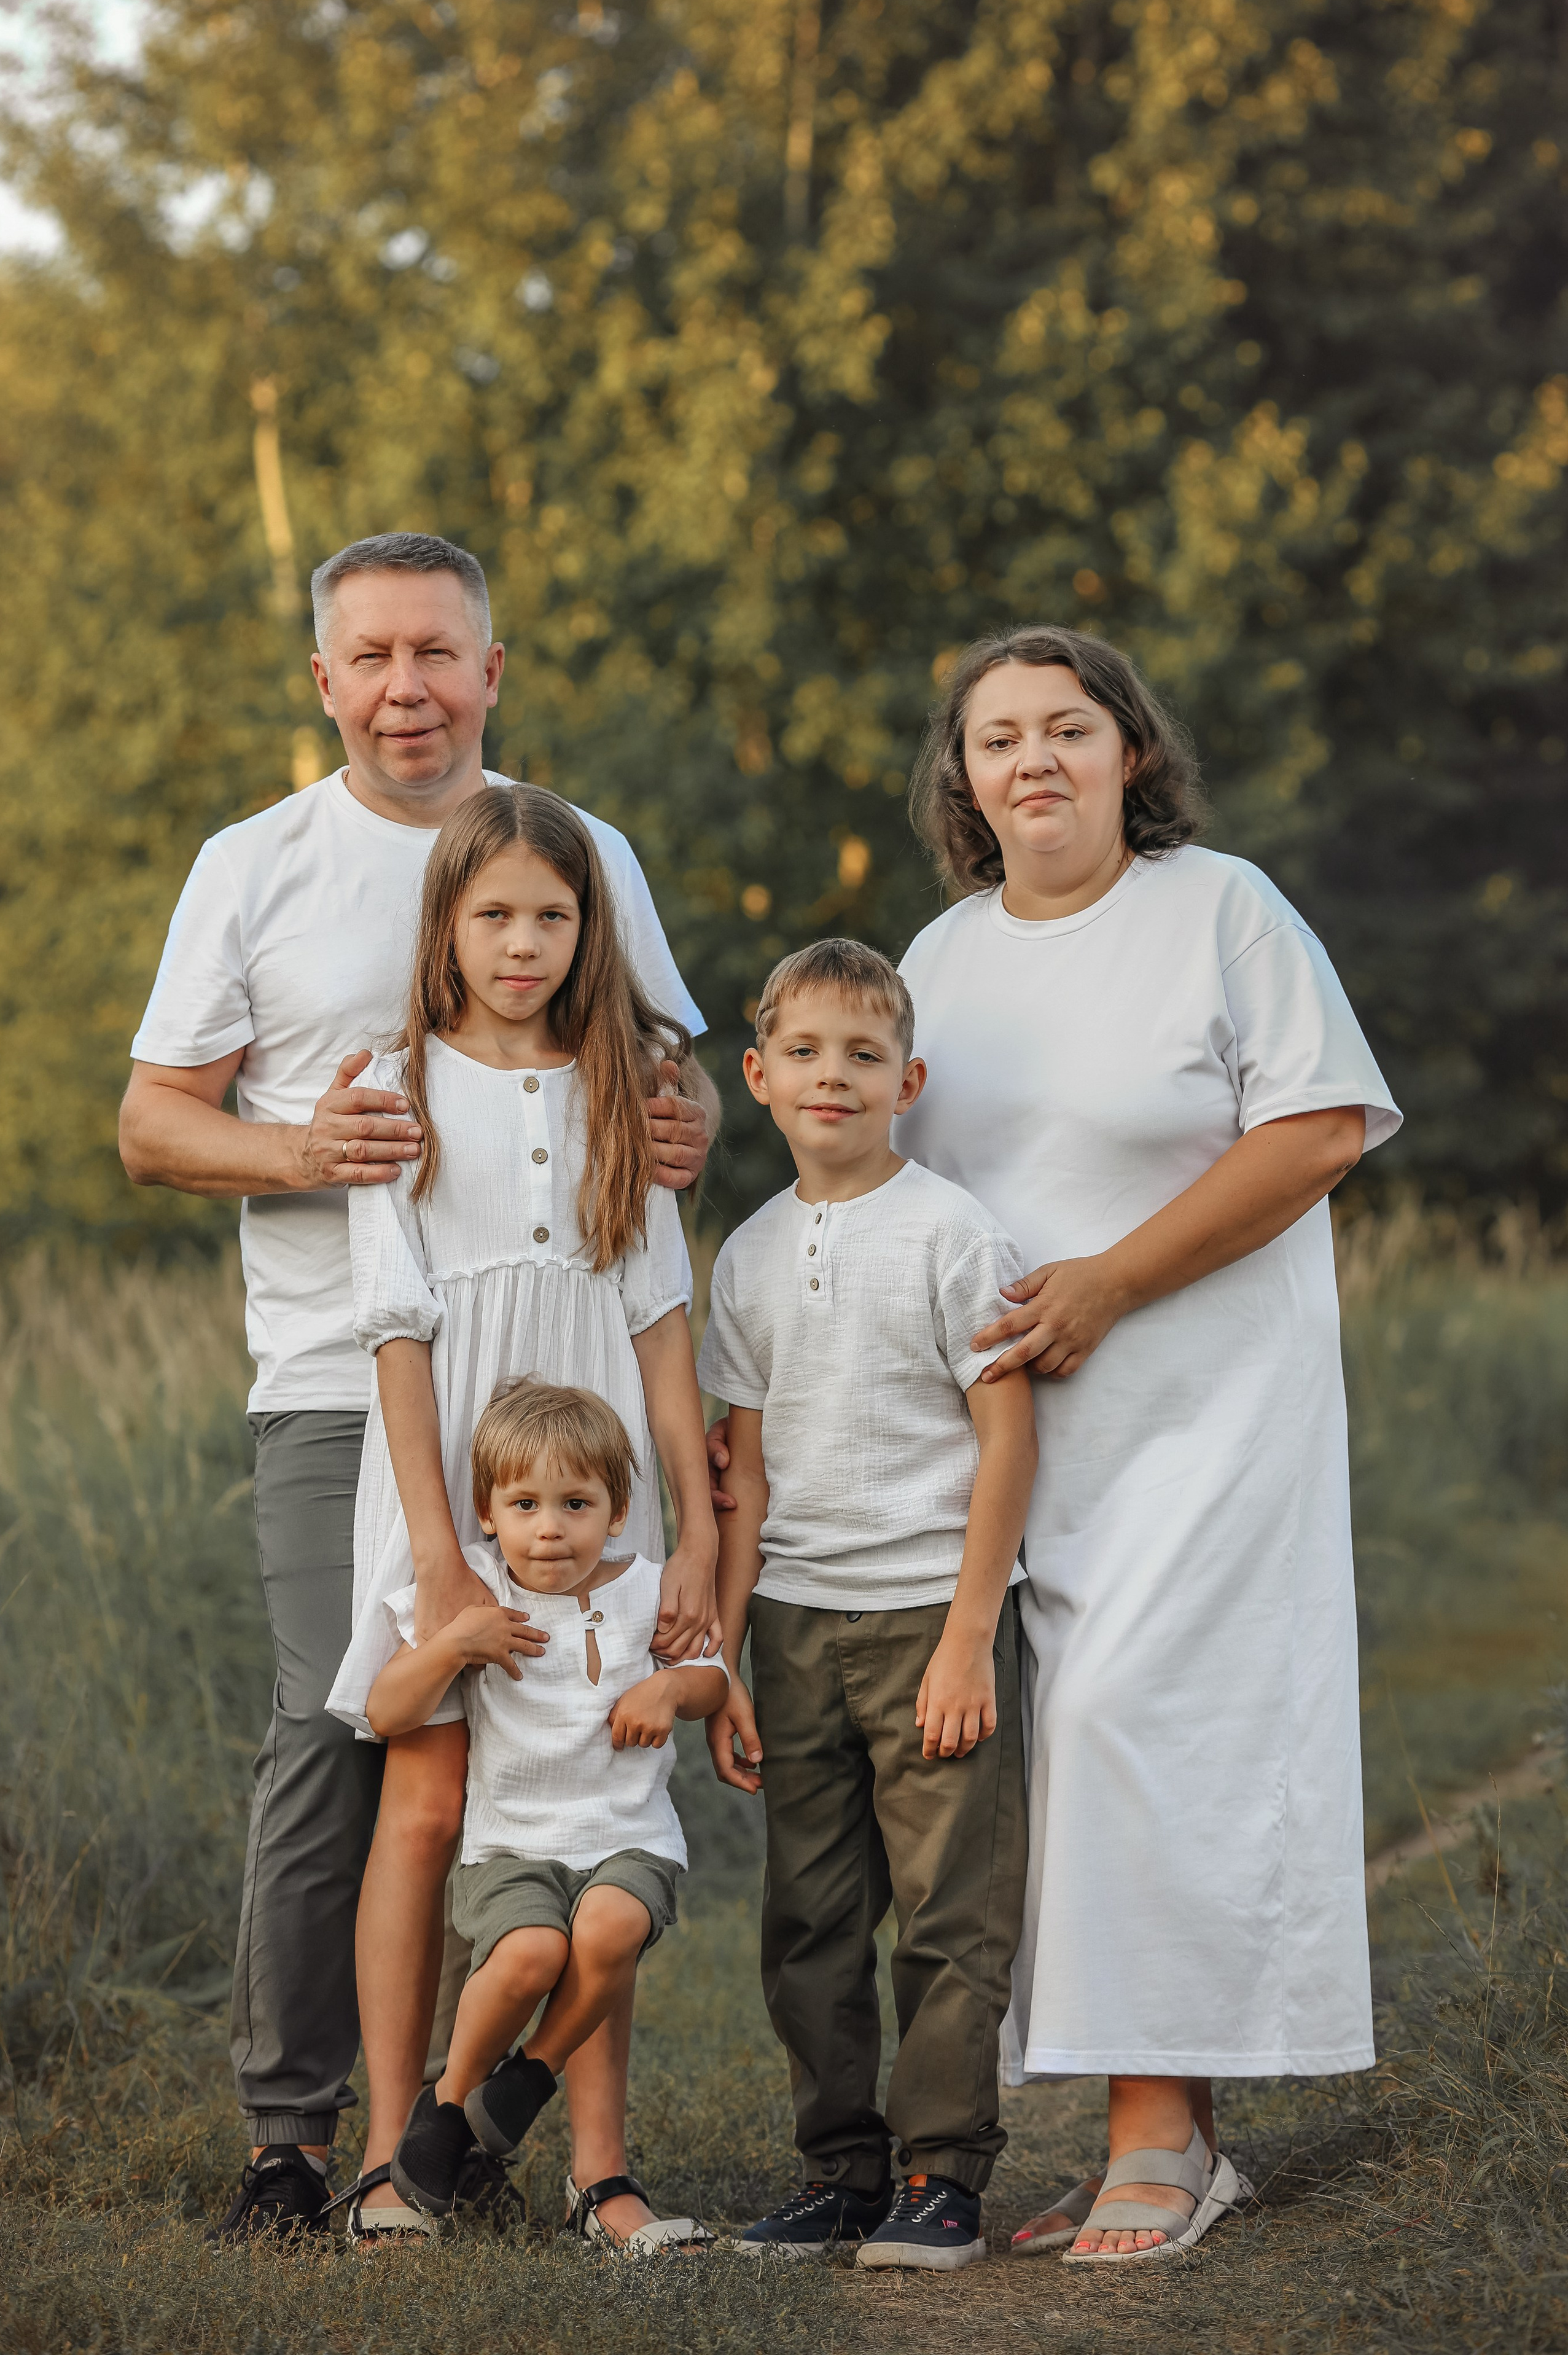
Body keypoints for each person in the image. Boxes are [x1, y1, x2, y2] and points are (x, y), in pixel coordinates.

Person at [118, 533, 716, 2241]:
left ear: (492, 669)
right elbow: (152, 1123)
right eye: (371, 656)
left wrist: (696, 1126)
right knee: (346, 1742)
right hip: (348, 1380)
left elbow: (658, 1088)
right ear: (325, 678)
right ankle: (298, 2141)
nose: (407, 687)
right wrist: (306, 1142)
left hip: (573, 1396)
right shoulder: (255, 865)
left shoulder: (577, 849)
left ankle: (504, 2130)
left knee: (559, 1754)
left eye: (438, 653)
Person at [891, 623, 1400, 2263]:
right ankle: (1154, 2115)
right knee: (1062, 1760)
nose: (1030, 759)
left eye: (1066, 728)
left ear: (1132, 754)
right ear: (963, 780)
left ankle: (1160, 2137)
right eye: (996, 739)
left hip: (1210, 1402)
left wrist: (1111, 1282)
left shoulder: (1221, 910)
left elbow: (1319, 1127)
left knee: (1136, 1724)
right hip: (1019, 1433)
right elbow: (871, 1156)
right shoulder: (944, 960)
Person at [322, 781, 719, 2240]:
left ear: (587, 929)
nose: (522, 942)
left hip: (595, 1473)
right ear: (445, 924)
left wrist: (698, 1533)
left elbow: (660, 1322)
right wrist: (438, 1556)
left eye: (552, 915)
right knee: (425, 1801)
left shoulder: (623, 1080)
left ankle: (594, 2167)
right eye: (492, 913)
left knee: (591, 1796)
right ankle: (390, 2157)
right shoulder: (396, 1078)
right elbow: (397, 1333)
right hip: (450, 1483)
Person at [700, 939, 1038, 2272]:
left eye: (859, 1056)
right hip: (791, 1622)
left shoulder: (953, 1233)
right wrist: (723, 1658)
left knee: (946, 1910)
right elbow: (743, 1476)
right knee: (809, 1916)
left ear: (907, 1077)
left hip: (925, 1617)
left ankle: (941, 2173)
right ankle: (839, 2171)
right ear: (759, 1076)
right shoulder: (746, 1256)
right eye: (802, 1053)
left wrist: (967, 1637)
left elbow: (1004, 1442)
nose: (829, 1077)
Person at [356, 1379, 727, 2246]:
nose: (549, 1528)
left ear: (617, 1509)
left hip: (627, 1837)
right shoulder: (477, 1591)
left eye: (575, 1503)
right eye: (524, 1504)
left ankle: (527, 2076)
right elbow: (386, 1710)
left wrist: (672, 1687)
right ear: (487, 1512)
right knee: (529, 1953)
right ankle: (450, 2108)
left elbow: (716, 1680)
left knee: (606, 1931)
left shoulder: (645, 1589)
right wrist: (455, 1644)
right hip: (513, 1848)